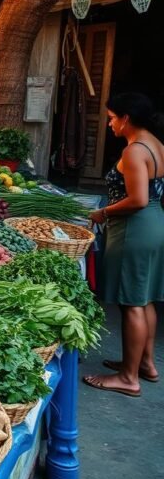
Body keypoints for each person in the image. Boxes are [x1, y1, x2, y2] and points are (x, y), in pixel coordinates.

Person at [85, 92, 164, 397]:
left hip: (134, 230)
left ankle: (128, 378)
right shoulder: (156, 144)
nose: (110, 124)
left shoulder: (134, 152)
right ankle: (145, 364)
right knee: (145, 299)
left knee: (130, 302)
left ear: (126, 118)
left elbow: (138, 200)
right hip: (155, 224)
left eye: (112, 118)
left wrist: (102, 212)